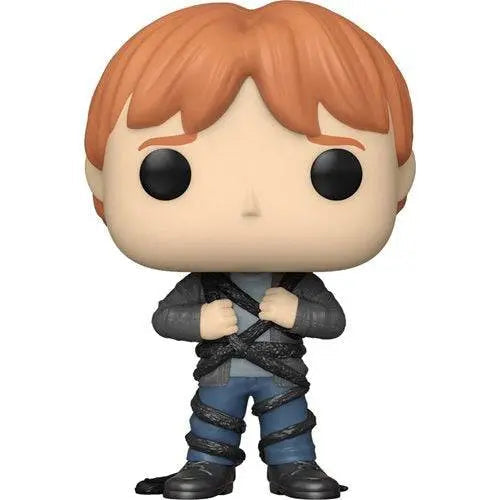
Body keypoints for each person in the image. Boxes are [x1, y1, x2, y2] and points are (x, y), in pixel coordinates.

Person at [84, 2, 414, 498]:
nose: (250, 205)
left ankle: (294, 466)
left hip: (283, 373)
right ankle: (206, 466)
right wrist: (199, 322)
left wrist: (298, 313)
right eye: (168, 172)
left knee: (289, 421)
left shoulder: (297, 284)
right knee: (212, 420)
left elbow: (334, 321)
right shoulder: (205, 285)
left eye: (334, 173)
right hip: (221, 374)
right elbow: (164, 318)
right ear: (100, 179)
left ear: (400, 178)